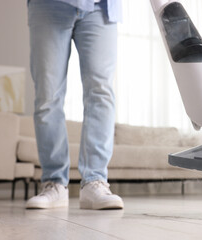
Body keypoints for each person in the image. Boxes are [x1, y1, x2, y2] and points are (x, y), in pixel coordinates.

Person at [25, 0, 123, 210]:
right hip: (48, 5)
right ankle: (54, 183)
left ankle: (95, 182)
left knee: (101, 94)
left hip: (102, 7)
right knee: (47, 96)